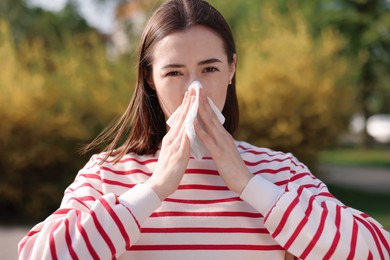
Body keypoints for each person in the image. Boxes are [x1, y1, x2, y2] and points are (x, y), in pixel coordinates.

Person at [18, 0, 390, 259]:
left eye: (210, 69)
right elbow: (38, 255)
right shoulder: (107, 173)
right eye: (174, 73)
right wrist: (154, 189)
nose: (194, 89)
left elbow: (375, 250)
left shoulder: (281, 171)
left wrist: (249, 184)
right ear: (150, 79)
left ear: (231, 70)